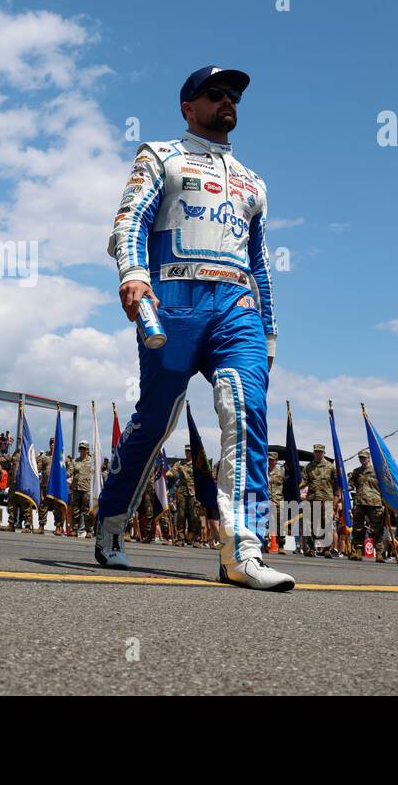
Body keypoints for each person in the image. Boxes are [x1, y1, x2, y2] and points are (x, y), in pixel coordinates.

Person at [99, 65, 290, 591]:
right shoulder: (160, 155)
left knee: (246, 410)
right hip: (173, 301)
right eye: (216, 93)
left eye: (234, 95)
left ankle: (244, 552)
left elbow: (261, 262)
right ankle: (112, 521)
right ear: (188, 106)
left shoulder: (254, 181)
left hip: (237, 308)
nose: (228, 101)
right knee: (158, 419)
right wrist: (134, 273)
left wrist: (269, 332)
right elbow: (128, 219)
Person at [301, 444, 338, 557]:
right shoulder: (308, 467)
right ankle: (312, 548)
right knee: (312, 524)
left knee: (326, 524)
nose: (318, 453)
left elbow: (336, 485)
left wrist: (336, 499)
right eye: (316, 451)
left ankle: (326, 549)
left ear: (324, 453)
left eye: (320, 452)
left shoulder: (331, 467)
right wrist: (296, 487)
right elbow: (304, 481)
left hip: (326, 499)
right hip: (312, 499)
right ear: (314, 453)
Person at [349, 451, 384, 561]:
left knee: (376, 529)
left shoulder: (377, 471)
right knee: (358, 528)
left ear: (369, 458)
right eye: (361, 458)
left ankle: (379, 553)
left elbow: (386, 487)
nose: (362, 459)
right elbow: (350, 485)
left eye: (364, 458)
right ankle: (358, 551)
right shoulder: (356, 472)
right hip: (359, 503)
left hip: (374, 503)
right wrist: (347, 487)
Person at [67, 440, 93, 537]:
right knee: (76, 511)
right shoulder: (75, 461)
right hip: (76, 488)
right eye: (80, 448)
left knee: (86, 511)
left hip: (87, 489)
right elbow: (69, 472)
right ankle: (74, 529)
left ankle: (89, 531)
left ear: (87, 450)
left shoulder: (92, 461)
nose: (82, 450)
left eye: (84, 448)